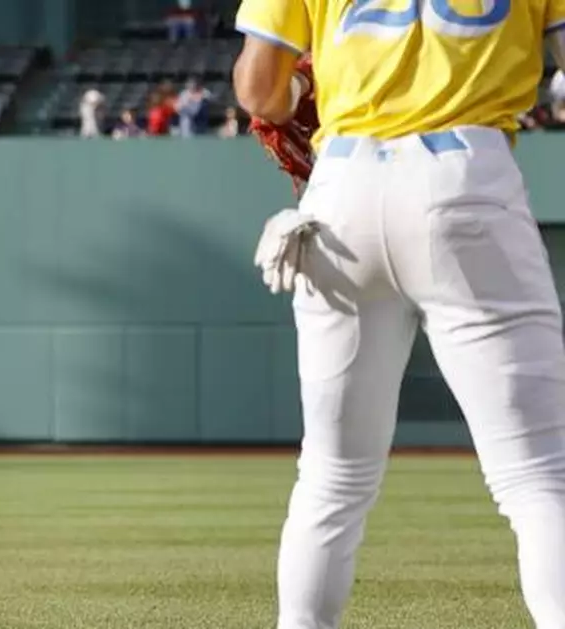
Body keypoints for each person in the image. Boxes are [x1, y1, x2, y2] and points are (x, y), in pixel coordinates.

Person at [233, 0, 565, 627]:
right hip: (467, 174)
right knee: (538, 476)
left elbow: (258, 89)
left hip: (343, 191)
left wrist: (302, 90)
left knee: (331, 478)